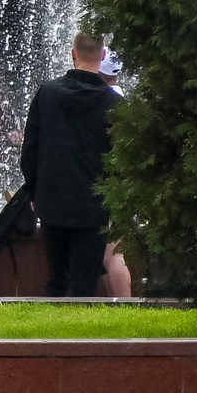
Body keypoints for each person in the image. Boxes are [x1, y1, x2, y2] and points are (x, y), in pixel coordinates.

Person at [21, 31, 121, 298]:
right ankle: (78, 323)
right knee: (84, 280)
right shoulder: (114, 105)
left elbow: (30, 149)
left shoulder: (47, 94)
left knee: (57, 278)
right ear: (102, 55)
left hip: (51, 198)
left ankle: (53, 321)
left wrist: (34, 191)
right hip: (93, 204)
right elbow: (121, 159)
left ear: (73, 54)